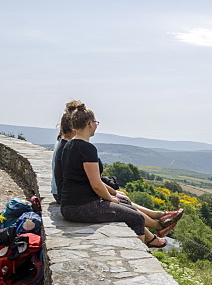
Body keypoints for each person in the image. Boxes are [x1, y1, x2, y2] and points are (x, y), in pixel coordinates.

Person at [57, 103, 174, 248]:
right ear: (89, 124)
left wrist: (113, 197)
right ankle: (142, 252)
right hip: (82, 207)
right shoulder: (87, 149)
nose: (96, 125)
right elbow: (96, 184)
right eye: (95, 122)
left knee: (126, 206)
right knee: (136, 218)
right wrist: (111, 198)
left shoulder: (68, 145)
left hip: (70, 205)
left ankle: (154, 231)